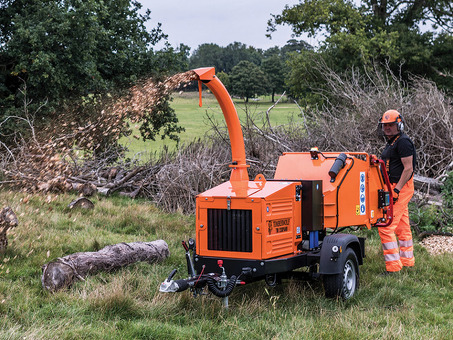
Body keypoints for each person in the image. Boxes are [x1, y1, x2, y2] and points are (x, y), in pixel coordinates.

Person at [378, 109, 416, 274]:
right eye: (385, 125)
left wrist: (397, 190)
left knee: (386, 226)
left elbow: (408, 169)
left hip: (400, 187)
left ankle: (393, 268)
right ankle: (407, 262)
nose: (387, 128)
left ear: (399, 125)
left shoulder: (403, 142)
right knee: (402, 227)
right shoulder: (392, 142)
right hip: (393, 186)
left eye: (391, 125)